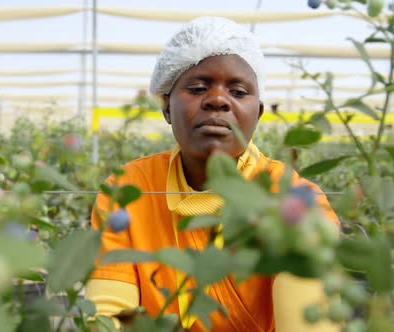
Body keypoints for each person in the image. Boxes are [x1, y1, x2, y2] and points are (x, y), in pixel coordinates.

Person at [85, 17, 340, 332]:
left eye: (238, 91)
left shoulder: (295, 201)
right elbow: (107, 318)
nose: (218, 100)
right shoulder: (128, 189)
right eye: (197, 87)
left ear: (257, 114)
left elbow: (307, 324)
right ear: (166, 106)